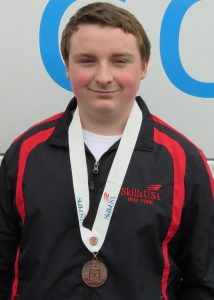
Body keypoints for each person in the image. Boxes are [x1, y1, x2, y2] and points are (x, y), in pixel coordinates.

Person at [0, 2, 214, 300]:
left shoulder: (183, 161)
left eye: (119, 61)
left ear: (144, 66)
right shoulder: (25, 154)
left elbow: (204, 280)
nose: (103, 76)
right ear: (67, 66)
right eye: (87, 60)